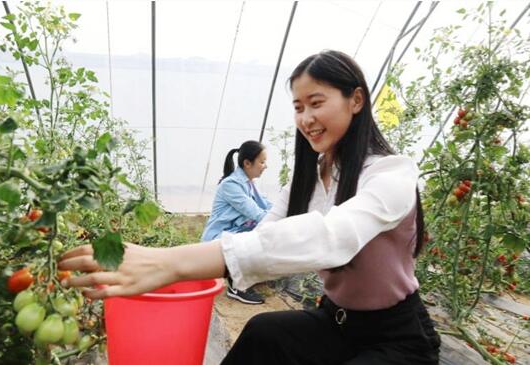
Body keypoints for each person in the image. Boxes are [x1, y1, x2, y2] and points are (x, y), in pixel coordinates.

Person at [59, 50, 441, 365]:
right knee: (264, 333)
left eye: (316, 103)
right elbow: (264, 237)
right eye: (298, 107)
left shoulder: (391, 175)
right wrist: (179, 270)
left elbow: (333, 238)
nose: (306, 119)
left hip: (398, 338)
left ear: (356, 100)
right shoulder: (310, 179)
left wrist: (170, 261)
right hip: (336, 321)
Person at [201, 140, 272, 304]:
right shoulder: (231, 185)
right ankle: (237, 285)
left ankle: (246, 275)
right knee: (261, 232)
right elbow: (256, 213)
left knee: (264, 230)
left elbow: (268, 206)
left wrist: (285, 214)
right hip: (218, 239)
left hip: (234, 233)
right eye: (262, 162)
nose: (265, 166)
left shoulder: (249, 184)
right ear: (247, 163)